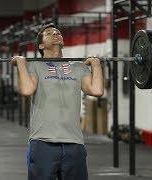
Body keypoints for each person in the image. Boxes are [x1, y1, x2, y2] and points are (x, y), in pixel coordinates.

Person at [11, 23, 104, 180]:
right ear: (41, 45)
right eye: (49, 33)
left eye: (58, 32)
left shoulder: (78, 67)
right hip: (42, 143)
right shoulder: (35, 66)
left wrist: (96, 64)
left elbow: (96, 90)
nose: (55, 33)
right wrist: (20, 63)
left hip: (74, 143)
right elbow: (26, 90)